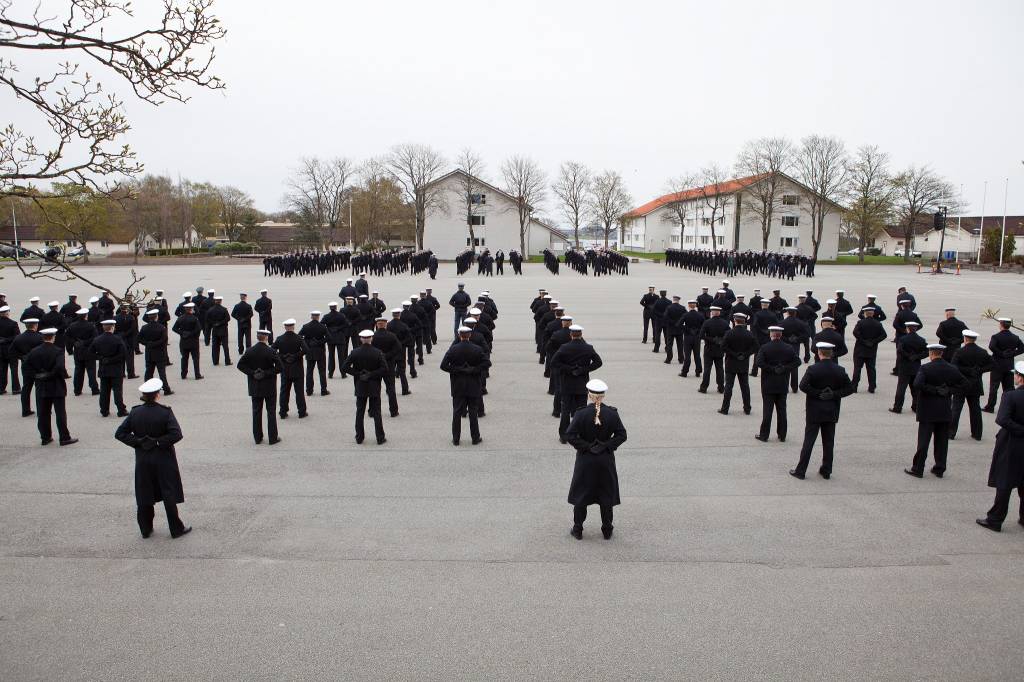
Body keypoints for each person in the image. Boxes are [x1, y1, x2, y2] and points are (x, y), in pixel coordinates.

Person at [115, 378, 189, 538]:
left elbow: (120, 433)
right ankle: (176, 528)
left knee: (144, 493)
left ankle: (145, 528)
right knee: (168, 492)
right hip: (163, 459)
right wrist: (157, 442)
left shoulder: (135, 412)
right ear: (157, 394)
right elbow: (176, 434)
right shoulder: (165, 412)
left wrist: (138, 442)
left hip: (143, 459)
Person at [565, 379, 627, 540]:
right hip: (605, 459)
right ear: (603, 396)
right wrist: (606, 445)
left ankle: (578, 529)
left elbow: (570, 435)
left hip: (585, 460)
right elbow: (622, 435)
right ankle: (607, 529)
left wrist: (586, 446)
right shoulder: (612, 413)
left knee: (581, 494)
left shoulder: (581, 413)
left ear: (589, 395)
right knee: (606, 494)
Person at [790, 342, 853, 480]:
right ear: (831, 354)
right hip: (832, 409)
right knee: (829, 441)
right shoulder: (840, 370)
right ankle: (826, 470)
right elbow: (850, 388)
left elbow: (802, 386)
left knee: (809, 441)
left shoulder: (813, 369)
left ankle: (801, 470)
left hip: (814, 410)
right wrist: (834, 394)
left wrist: (818, 393)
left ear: (819, 353)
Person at [904, 344, 966, 479]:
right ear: (941, 354)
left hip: (927, 410)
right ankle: (939, 468)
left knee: (923, 441)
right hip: (944, 410)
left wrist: (933, 390)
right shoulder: (951, 368)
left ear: (931, 354)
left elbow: (917, 384)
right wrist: (949, 390)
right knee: (942, 442)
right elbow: (964, 384)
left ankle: (918, 468)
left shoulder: (925, 368)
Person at [976, 361, 1024, 532]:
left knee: (1005, 482)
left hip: (1011, 443)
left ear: (1020, 377)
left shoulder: (1011, 396)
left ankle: (995, 519)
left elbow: (1002, 419)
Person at [550, 324, 603, 443]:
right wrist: (583, 369)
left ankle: (564, 435)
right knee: (581, 411)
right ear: (581, 335)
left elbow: (554, 362)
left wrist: (569, 369)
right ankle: (579, 434)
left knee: (565, 411)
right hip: (581, 383)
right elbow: (598, 362)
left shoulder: (564, 347)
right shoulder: (588, 348)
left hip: (567, 383)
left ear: (571, 335)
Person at [25, 326, 77, 445]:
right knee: (60, 413)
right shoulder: (58, 351)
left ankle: (45, 437)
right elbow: (59, 367)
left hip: (41, 386)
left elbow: (26, 367)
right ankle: (64, 437)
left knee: (43, 413)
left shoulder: (34, 351)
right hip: (56, 385)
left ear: (43, 337)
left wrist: (37, 375)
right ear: (53, 337)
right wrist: (51, 375)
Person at [441, 325, 491, 445]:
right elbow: (487, 363)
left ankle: (456, 439)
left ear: (459, 335)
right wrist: (474, 370)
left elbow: (443, 366)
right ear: (469, 335)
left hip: (458, 385)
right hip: (473, 384)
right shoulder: (477, 349)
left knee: (457, 412)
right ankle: (475, 437)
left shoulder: (453, 349)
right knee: (473, 413)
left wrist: (456, 370)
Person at [340, 329, 388, 444]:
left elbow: (344, 367)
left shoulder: (355, 352)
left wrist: (358, 374)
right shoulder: (378, 352)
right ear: (371, 338)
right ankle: (380, 437)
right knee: (376, 412)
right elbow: (385, 369)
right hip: (374, 385)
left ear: (361, 339)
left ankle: (359, 437)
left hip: (360, 384)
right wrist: (371, 374)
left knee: (360, 412)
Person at [236, 329, 283, 445]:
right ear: (266, 337)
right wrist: (266, 373)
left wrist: (253, 373)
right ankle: (272, 438)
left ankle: (257, 437)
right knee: (271, 412)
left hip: (255, 385)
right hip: (269, 386)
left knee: (256, 411)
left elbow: (240, 365)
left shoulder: (250, 351)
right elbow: (280, 367)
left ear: (257, 337)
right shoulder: (270, 351)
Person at [755, 326, 801, 442]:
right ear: (780, 335)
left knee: (767, 411)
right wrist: (785, 368)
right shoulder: (788, 348)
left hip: (768, 384)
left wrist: (771, 369)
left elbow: (759, 362)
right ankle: (782, 434)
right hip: (782, 383)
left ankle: (764, 435)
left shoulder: (765, 347)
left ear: (771, 334)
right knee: (782, 410)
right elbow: (797, 361)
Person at [951, 330, 992, 441]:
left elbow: (953, 367)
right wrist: (980, 370)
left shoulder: (959, 352)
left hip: (961, 384)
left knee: (956, 409)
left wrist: (967, 370)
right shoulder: (982, 352)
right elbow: (992, 364)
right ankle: (977, 434)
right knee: (975, 409)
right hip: (975, 384)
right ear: (975, 339)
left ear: (965, 339)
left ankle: (951, 432)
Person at [719, 312, 757, 415]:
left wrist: (734, 354)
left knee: (729, 386)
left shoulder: (729, 333)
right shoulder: (749, 334)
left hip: (731, 363)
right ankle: (747, 408)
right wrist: (745, 354)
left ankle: (725, 408)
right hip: (743, 363)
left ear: (734, 321)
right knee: (745, 387)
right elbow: (755, 347)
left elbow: (723, 346)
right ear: (744, 322)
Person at [89, 319, 129, 417]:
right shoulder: (118, 339)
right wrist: (111, 359)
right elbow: (123, 354)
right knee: (117, 391)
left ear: (103, 328)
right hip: (116, 369)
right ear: (112, 327)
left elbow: (90, 353)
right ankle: (121, 410)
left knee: (104, 391)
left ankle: (104, 410)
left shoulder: (97, 339)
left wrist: (101, 358)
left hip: (104, 369)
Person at [983, 317, 1024, 413]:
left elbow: (991, 346)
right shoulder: (1015, 337)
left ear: (1001, 325)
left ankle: (990, 406)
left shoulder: (996, 337)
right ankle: (1009, 407)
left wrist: (1001, 354)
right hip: (1009, 366)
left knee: (994, 387)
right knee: (1009, 388)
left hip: (997, 365)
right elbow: (1022, 348)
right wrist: (1012, 353)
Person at [271, 319, 308, 419]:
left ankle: (283, 411)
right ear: (293, 327)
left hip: (285, 369)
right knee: (299, 391)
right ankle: (301, 411)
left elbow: (272, 350)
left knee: (284, 391)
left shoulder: (280, 339)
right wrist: (295, 356)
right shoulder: (299, 338)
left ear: (285, 327)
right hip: (297, 369)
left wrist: (283, 356)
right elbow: (306, 350)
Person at [890, 321, 926, 414]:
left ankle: (897, 407)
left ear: (907, 329)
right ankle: (916, 407)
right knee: (915, 389)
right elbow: (926, 352)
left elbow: (900, 350)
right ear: (916, 329)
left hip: (905, 367)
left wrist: (908, 356)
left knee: (901, 388)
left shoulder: (903, 339)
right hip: (916, 367)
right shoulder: (921, 340)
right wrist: (916, 357)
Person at [371, 317, 404, 418]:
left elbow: (370, 349)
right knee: (391, 389)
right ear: (385, 325)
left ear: (377, 325)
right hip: (389, 364)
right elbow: (399, 348)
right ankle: (393, 411)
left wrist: (378, 356)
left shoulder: (373, 336)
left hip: (376, 366)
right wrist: (388, 355)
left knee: (374, 389)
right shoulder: (391, 336)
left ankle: (374, 411)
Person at [10, 318, 43, 416]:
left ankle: (25, 410)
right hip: (38, 367)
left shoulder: (19, 338)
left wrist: (22, 357)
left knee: (26, 388)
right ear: (35, 326)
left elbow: (11, 352)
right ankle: (41, 410)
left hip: (26, 366)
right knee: (39, 389)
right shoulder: (39, 337)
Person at [851, 307, 887, 393]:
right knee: (871, 369)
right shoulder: (878, 323)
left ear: (865, 313)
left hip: (860, 349)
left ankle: (854, 386)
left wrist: (863, 341)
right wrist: (873, 342)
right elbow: (884, 335)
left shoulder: (860, 323)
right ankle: (872, 387)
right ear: (873, 313)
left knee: (857, 368)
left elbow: (855, 332)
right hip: (871, 350)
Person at [138, 309, 173, 395]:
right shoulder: (162, 328)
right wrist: (155, 344)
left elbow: (139, 339)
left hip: (149, 353)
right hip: (160, 353)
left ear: (149, 318)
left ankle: (147, 390)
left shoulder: (144, 327)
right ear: (157, 317)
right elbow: (164, 340)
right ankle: (166, 389)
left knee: (148, 372)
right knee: (162, 373)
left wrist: (148, 344)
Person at [66, 309, 100, 396]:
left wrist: (74, 343)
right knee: (91, 371)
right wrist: (85, 343)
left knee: (78, 371)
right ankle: (94, 389)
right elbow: (95, 338)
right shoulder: (91, 326)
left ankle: (77, 390)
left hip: (78, 351)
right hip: (89, 351)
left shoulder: (72, 326)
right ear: (86, 316)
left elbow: (66, 337)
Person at [698, 306, 729, 394]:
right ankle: (721, 387)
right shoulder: (724, 323)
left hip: (709, 348)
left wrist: (711, 339)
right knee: (719, 369)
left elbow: (701, 335)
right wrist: (721, 340)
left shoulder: (707, 322)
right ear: (719, 313)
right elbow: (728, 335)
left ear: (712, 313)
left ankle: (704, 387)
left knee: (707, 369)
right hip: (719, 349)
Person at [300, 311, 330, 396]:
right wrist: (320, 342)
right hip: (320, 351)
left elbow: (299, 336)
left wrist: (307, 342)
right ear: (318, 317)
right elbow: (329, 338)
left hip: (309, 351)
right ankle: (323, 390)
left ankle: (309, 390)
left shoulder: (305, 326)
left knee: (309, 371)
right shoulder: (322, 327)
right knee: (322, 371)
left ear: (311, 317)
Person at [678, 300, 704, 378]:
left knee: (687, 356)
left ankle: (685, 372)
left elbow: (679, 324)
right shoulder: (700, 315)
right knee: (697, 355)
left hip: (688, 337)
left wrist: (687, 329)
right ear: (695, 306)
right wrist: (698, 331)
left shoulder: (686, 315)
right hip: (697, 337)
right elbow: (704, 326)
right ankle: (698, 371)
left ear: (689, 306)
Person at [323, 302, 350, 378]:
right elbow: (346, 324)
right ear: (336, 307)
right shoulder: (341, 315)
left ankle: (330, 373)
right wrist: (339, 328)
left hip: (330, 338)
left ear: (330, 307)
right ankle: (343, 373)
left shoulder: (326, 316)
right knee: (341, 356)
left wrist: (329, 329)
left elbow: (322, 325)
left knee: (331, 356)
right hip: (340, 337)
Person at [206, 295, 232, 366]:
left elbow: (207, 319)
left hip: (215, 330)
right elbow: (228, 318)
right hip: (223, 330)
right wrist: (220, 323)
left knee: (215, 346)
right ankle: (227, 361)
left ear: (215, 301)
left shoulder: (210, 310)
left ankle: (215, 361)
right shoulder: (224, 309)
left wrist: (214, 323)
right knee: (225, 346)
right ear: (221, 301)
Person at [0, 305, 20, 394]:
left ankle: (1, 388)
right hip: (11, 350)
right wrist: (7, 340)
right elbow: (17, 336)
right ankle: (15, 388)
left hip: (0, 350)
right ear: (7, 313)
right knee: (14, 370)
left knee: (2, 370)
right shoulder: (13, 323)